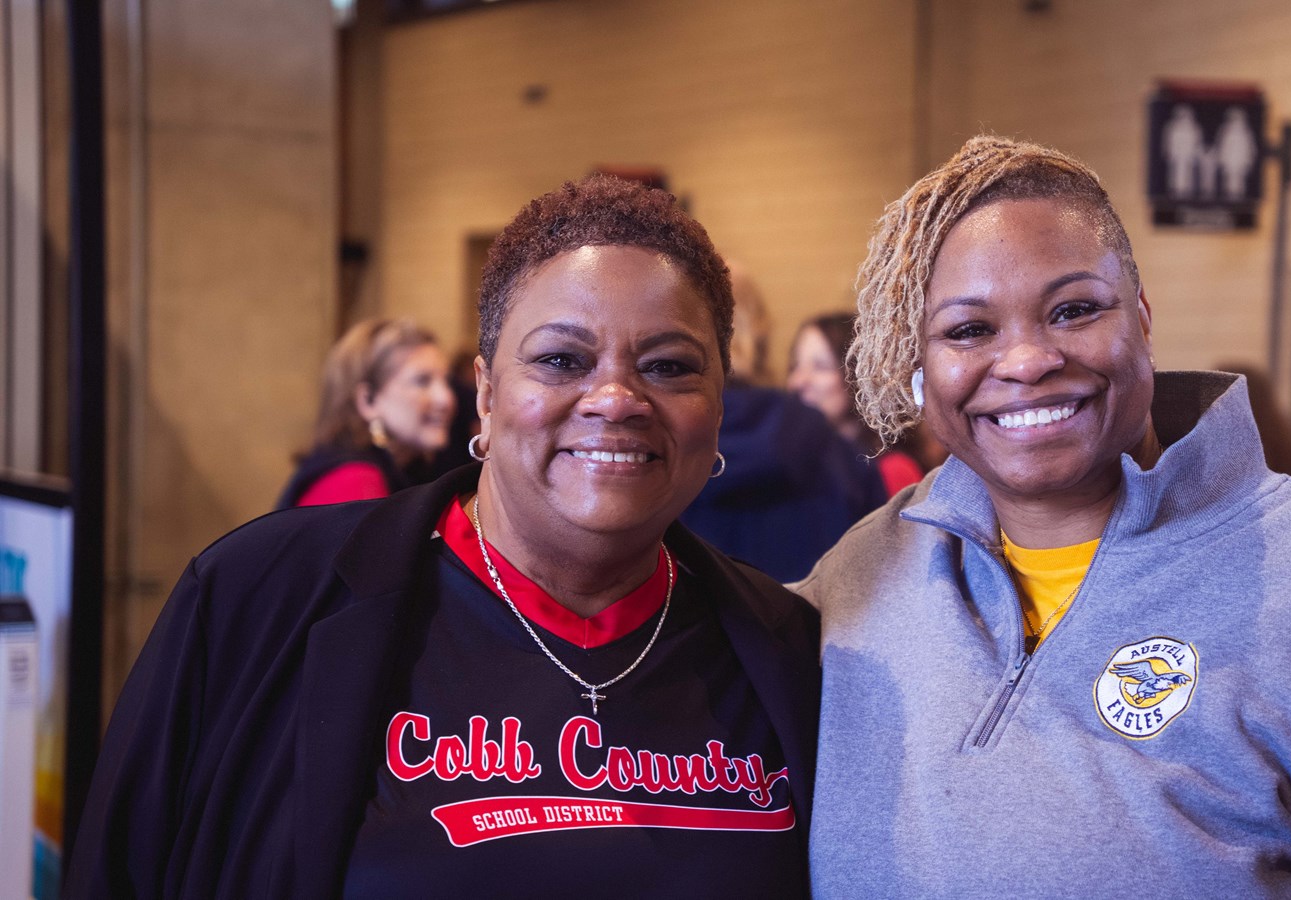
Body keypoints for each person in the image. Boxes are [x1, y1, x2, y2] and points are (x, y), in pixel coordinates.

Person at [796, 135, 1291, 897]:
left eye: (1073, 310)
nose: (1029, 360)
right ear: (921, 373)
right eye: (969, 330)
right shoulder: (865, 575)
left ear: (1141, 317)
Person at [68, 176, 818, 898]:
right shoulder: (254, 598)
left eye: (669, 366)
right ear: (487, 395)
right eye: (562, 359)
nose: (617, 398)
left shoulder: (785, 652)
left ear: (718, 405)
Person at [679, 267, 884, 582]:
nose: (803, 379)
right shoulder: (832, 447)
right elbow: (880, 569)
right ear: (760, 331)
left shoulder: (658, 451)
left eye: (820, 366)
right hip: (820, 626)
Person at [275, 318, 455, 508]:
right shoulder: (354, 483)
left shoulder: (407, 471)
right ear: (369, 400)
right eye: (422, 381)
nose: (446, 399)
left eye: (446, 381)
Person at [787, 312, 924, 497]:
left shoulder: (891, 471)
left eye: (820, 366)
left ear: (860, 376)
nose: (798, 381)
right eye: (795, 365)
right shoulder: (796, 462)